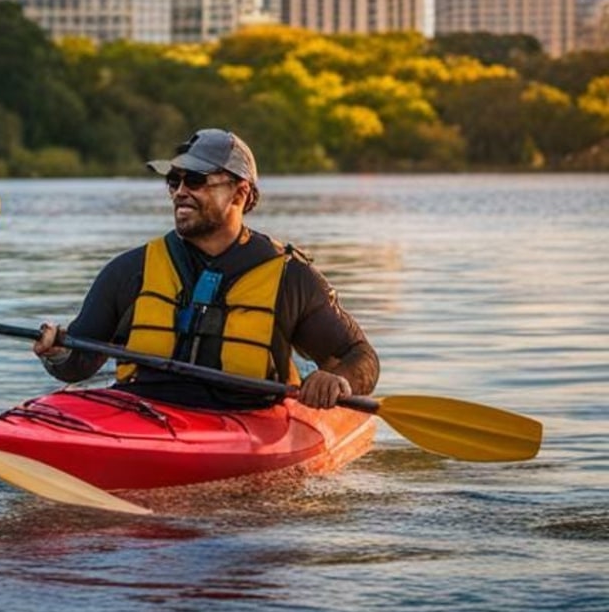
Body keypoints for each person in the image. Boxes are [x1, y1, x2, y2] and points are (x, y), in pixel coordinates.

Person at [32, 128, 378, 410]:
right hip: (139, 411)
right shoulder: (129, 271)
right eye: (174, 181)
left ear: (240, 193)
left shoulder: (291, 278)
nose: (180, 192)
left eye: (195, 180)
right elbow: (78, 365)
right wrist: (58, 352)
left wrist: (338, 379)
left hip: (243, 418)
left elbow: (360, 356)